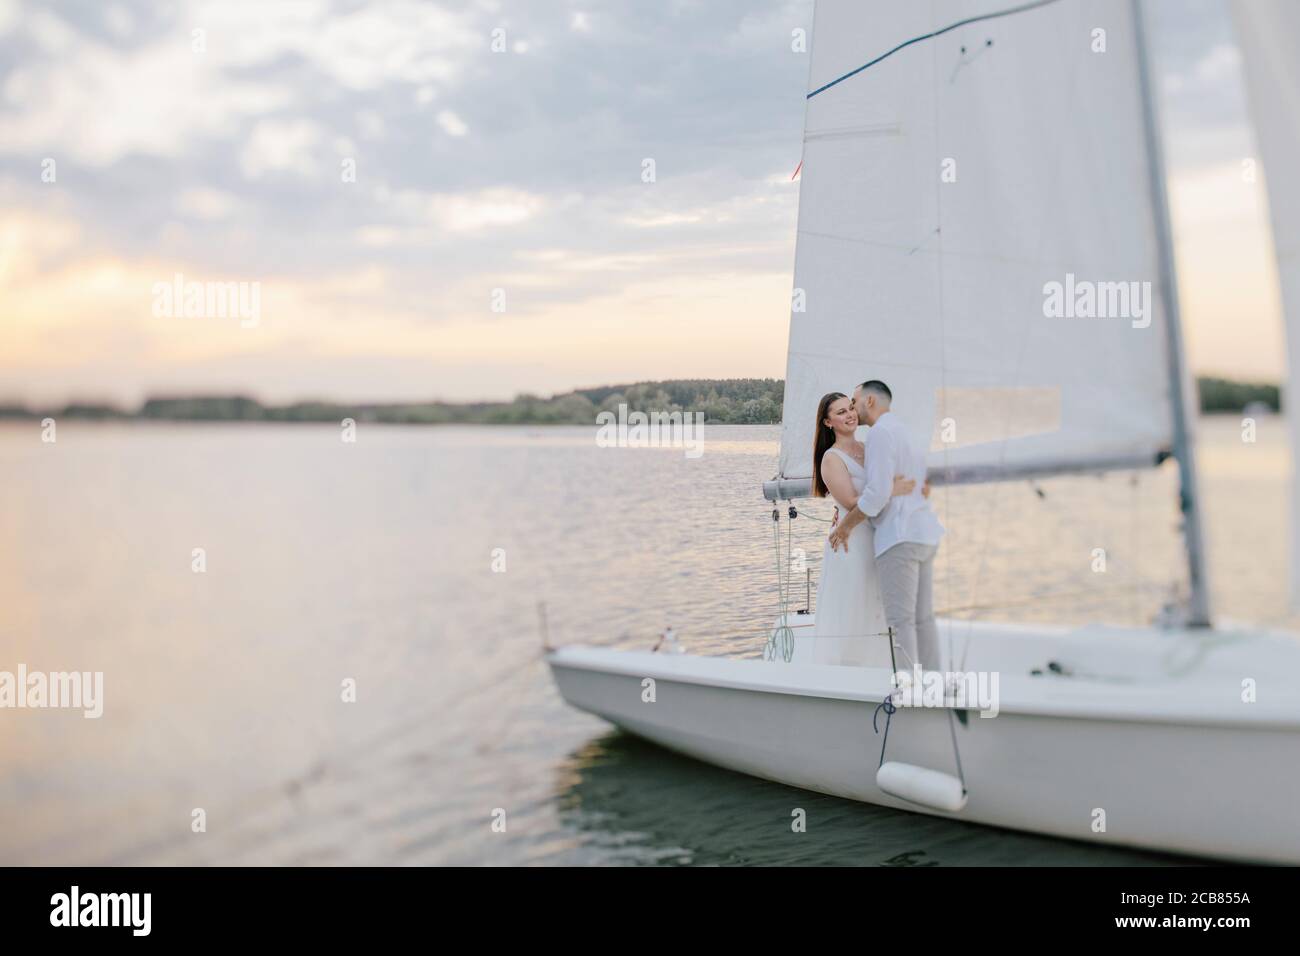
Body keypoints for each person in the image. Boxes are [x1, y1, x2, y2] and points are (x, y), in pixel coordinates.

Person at [827, 380, 944, 671]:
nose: (852, 409)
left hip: (899, 536)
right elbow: (923, 483)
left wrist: (845, 527)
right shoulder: (906, 431)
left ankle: (908, 686)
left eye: (853, 402)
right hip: (924, 533)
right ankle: (932, 681)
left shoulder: (880, 434)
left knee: (900, 620)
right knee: (922, 618)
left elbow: (877, 494)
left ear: (869, 402)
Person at [806, 391, 916, 666]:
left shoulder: (869, 449)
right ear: (828, 422)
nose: (849, 414)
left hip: (878, 538)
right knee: (853, 604)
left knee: (876, 603)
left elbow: (891, 482)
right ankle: (844, 670)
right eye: (840, 412)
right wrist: (892, 489)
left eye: (850, 408)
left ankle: (880, 667)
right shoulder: (831, 459)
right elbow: (852, 501)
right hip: (851, 540)